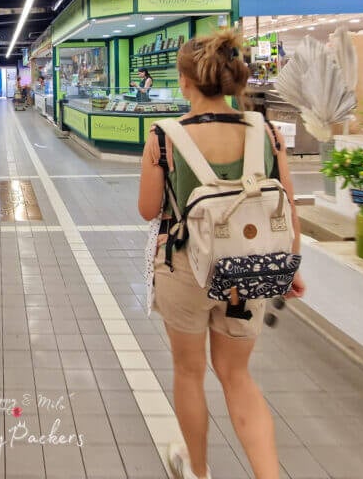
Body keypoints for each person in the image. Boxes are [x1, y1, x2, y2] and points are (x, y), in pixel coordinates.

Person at [137, 31, 304, 479]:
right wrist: (290, 265)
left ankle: (199, 469)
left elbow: (149, 210)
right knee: (237, 376)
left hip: (185, 269)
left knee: (189, 372)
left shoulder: (164, 137)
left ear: (185, 81)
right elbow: (286, 202)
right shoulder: (265, 131)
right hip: (250, 269)